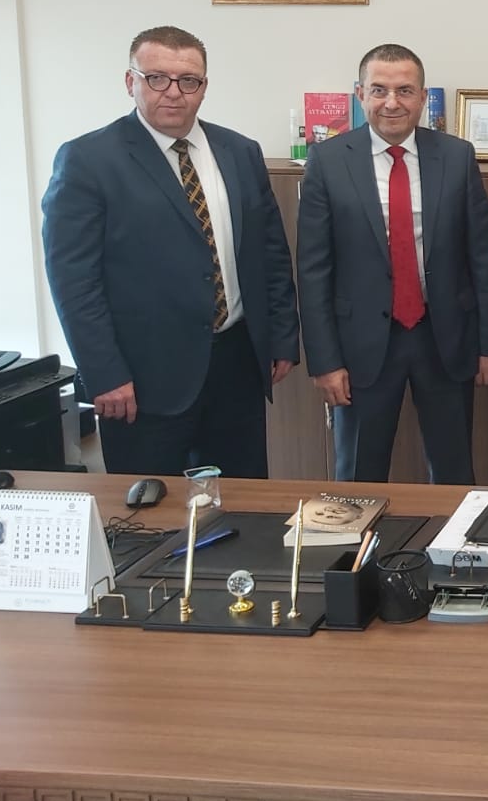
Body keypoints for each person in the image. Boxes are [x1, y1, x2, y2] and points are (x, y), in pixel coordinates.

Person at [41, 25, 299, 477]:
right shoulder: (88, 159)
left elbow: (271, 253)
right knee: (148, 508)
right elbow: (74, 282)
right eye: (157, 78)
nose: (174, 92)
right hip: (142, 378)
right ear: (131, 82)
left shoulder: (240, 151)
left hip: (237, 363)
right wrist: (104, 372)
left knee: (241, 500)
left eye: (188, 81)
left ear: (204, 86)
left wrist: (280, 337)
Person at [297, 43, 488, 483]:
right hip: (361, 346)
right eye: (379, 90)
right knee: (359, 476)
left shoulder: (457, 156)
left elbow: (483, 258)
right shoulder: (328, 161)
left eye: (405, 90)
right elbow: (313, 272)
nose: (392, 102)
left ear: (423, 96)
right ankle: (359, 534)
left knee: (453, 472)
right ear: (360, 95)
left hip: (443, 338)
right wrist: (325, 361)